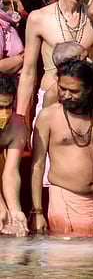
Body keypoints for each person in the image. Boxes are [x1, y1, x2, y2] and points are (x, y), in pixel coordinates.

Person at [17, 0, 93, 127]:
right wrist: (20, 117)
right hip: (50, 101)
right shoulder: (39, 18)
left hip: (86, 104)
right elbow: (29, 72)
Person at [30, 59, 93, 236]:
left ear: (88, 89)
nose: (65, 95)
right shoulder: (48, 116)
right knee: (66, 262)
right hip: (64, 200)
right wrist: (37, 211)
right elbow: (38, 165)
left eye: (73, 91)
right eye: (62, 88)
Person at [0, 75, 27, 236]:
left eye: (8, 106)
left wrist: (15, 211)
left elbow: (10, 172)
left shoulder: (17, 126)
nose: (3, 113)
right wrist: (1, 207)